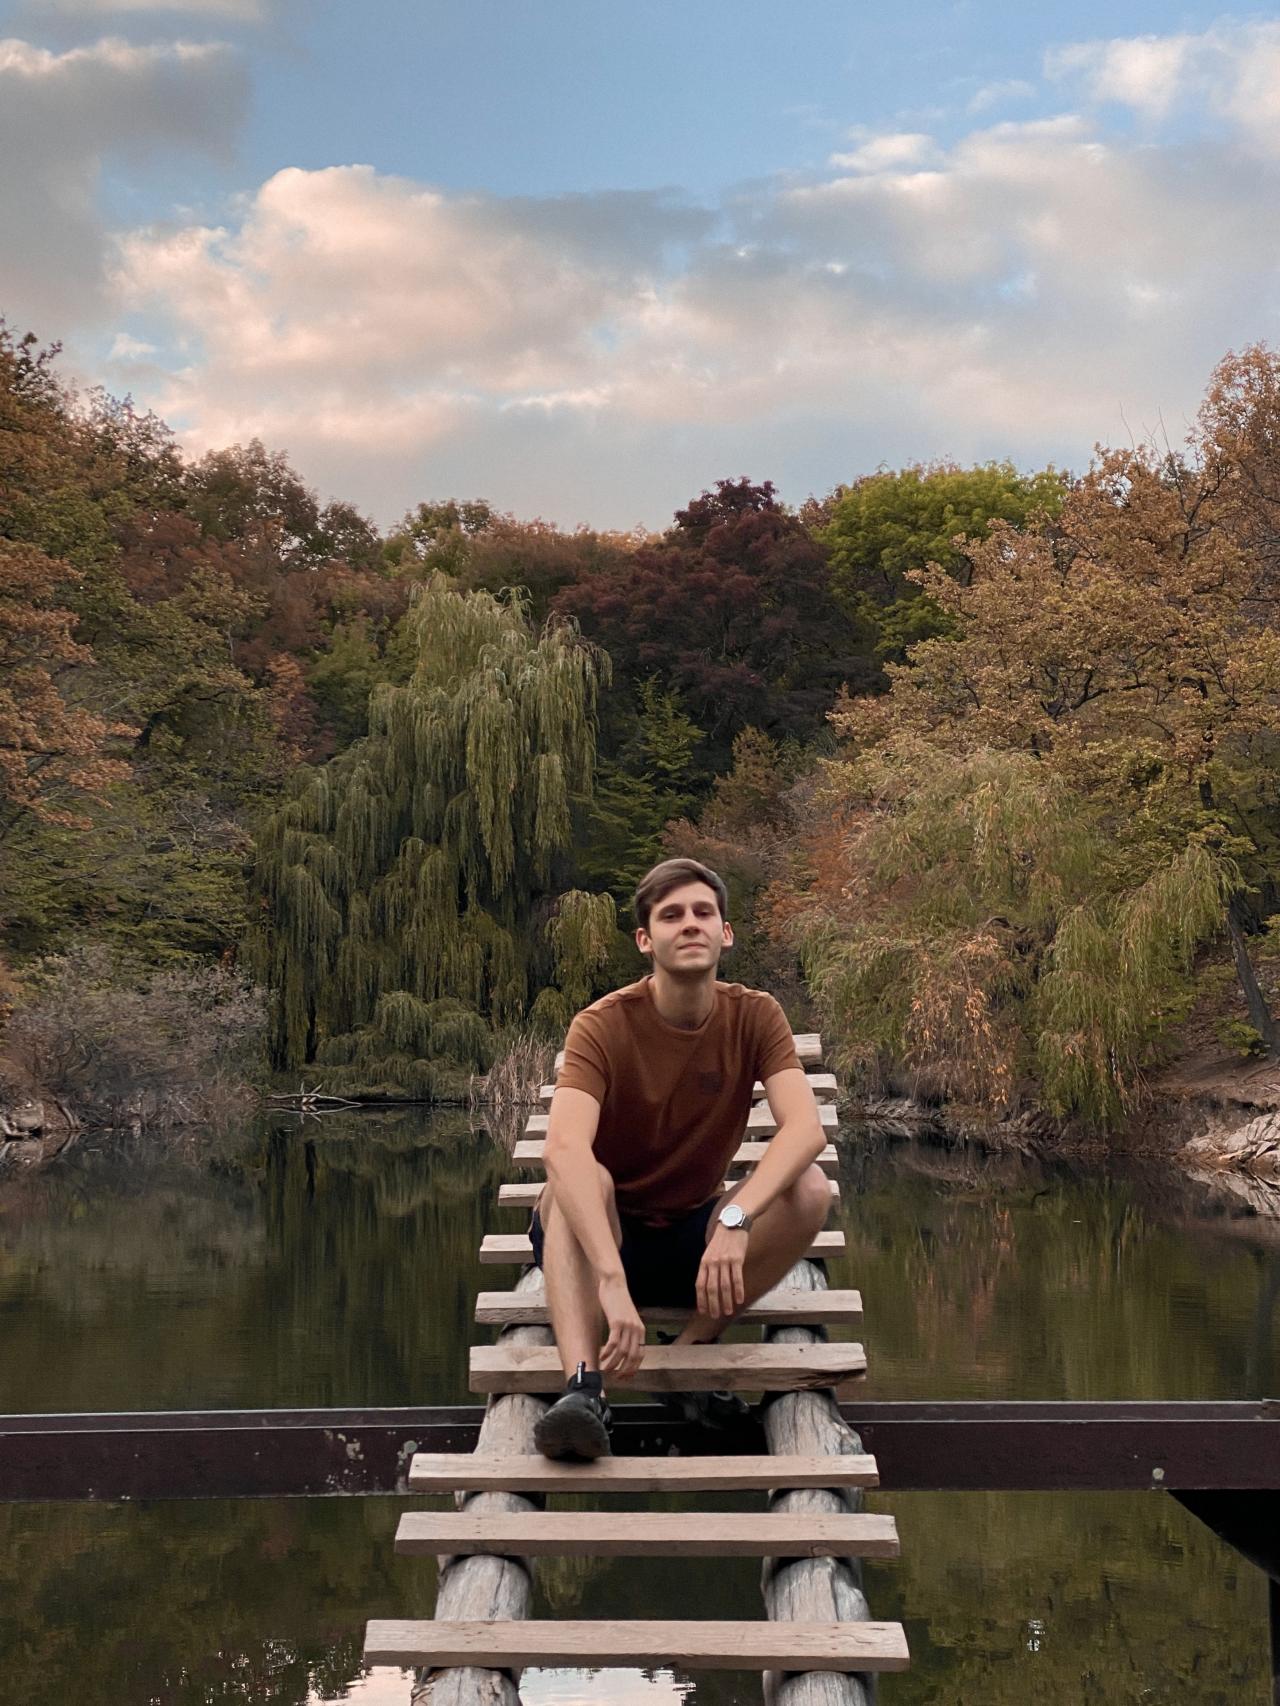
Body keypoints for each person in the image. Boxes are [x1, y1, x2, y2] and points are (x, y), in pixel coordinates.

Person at [530, 856, 831, 1461]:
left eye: (703, 912)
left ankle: (689, 1356)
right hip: (600, 1239)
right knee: (580, 1179)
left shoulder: (755, 1015)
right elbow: (562, 1148)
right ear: (646, 940)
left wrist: (736, 1218)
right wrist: (610, 1279)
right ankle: (584, 1392)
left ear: (725, 932)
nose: (690, 923)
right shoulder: (602, 1025)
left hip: (693, 1240)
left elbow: (805, 1130)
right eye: (671, 915)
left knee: (811, 1189)